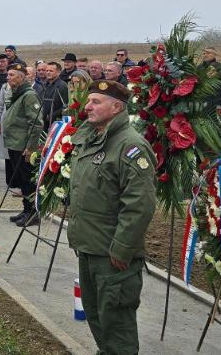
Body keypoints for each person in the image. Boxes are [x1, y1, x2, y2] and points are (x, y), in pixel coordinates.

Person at [67, 79, 156, 355]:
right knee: (97, 315)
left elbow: (139, 204)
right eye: (88, 101)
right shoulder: (91, 139)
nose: (87, 107)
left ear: (116, 107)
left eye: (96, 102)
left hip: (112, 253)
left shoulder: (130, 146)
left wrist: (123, 247)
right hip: (90, 246)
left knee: (116, 322)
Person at [0, 63, 43, 227]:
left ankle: (33, 213)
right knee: (22, 180)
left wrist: (31, 147)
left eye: (11, 75)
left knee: (28, 181)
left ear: (21, 77)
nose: (8, 78)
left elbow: (36, 123)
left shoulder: (29, 95)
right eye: (8, 75)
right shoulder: (17, 93)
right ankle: (26, 210)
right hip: (14, 144)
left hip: (24, 146)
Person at [199, 47, 221, 117]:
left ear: (214, 54)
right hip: (203, 104)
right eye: (204, 53)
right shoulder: (199, 68)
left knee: (219, 123)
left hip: (218, 104)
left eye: (208, 53)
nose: (205, 55)